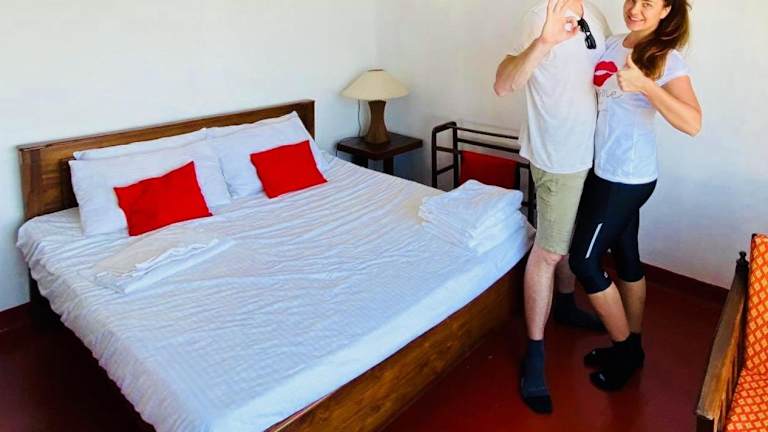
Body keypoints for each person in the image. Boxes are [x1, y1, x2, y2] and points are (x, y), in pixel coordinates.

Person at [569, 0, 701, 391]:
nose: (635, 9)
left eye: (648, 3)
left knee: (584, 262)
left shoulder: (667, 58)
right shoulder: (613, 43)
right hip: (603, 168)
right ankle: (633, 345)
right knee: (626, 256)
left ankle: (624, 350)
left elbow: (693, 122)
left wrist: (645, 85)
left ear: (665, 10)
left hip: (626, 176)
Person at [494, 0, 610, 414]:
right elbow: (503, 83)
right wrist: (544, 41)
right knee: (549, 252)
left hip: (592, 153)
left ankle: (564, 304)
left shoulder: (595, 14)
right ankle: (535, 352)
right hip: (558, 157)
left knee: (568, 240)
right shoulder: (537, 16)